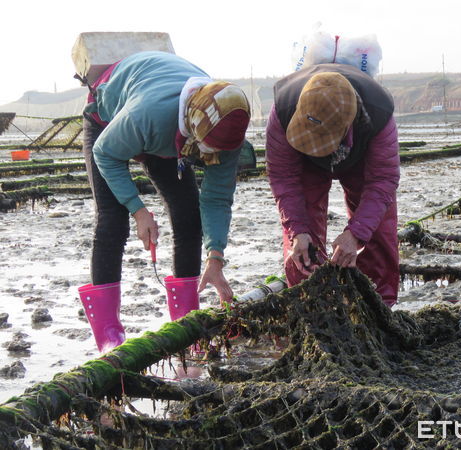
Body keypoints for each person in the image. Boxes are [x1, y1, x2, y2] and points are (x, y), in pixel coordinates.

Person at [77, 51, 250, 353]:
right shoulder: (146, 116)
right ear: (192, 128)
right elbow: (105, 153)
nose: (208, 158)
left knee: (188, 216)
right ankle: (110, 339)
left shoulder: (227, 127)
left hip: (170, 137)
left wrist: (216, 256)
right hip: (108, 120)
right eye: (203, 150)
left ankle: (186, 325)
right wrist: (138, 209)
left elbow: (218, 197)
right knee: (112, 220)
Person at [266, 63, 399, 307]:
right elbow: (283, 177)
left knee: (377, 230)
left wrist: (356, 234)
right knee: (303, 245)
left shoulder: (378, 114)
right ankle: (312, 305)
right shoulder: (283, 110)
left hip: (359, 154)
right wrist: (297, 230)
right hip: (304, 161)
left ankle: (379, 306)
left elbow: (383, 181)